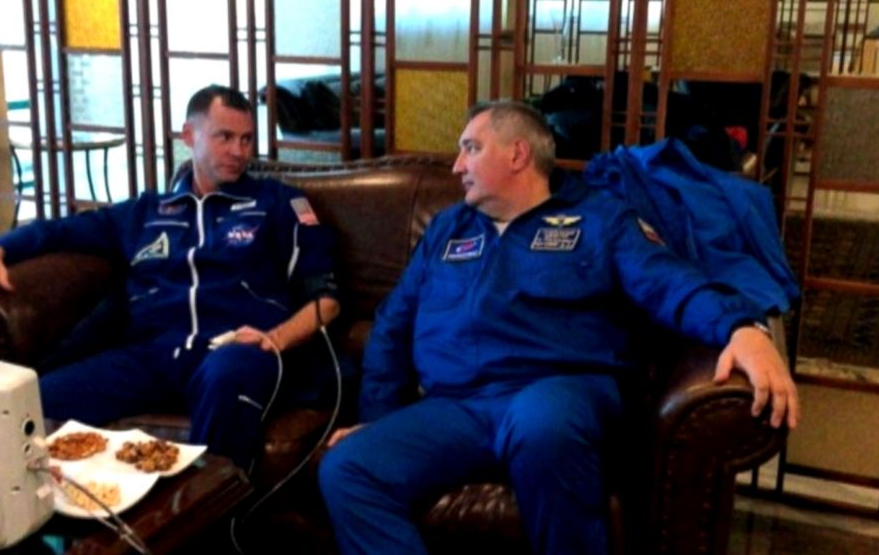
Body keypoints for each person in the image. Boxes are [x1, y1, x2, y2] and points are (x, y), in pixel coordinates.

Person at [317, 101, 799, 554]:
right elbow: (392, 325)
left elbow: (671, 283)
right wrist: (377, 416)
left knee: (542, 425)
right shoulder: (448, 229)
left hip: (557, 391)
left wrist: (741, 327)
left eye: (471, 148)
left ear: (517, 154)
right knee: (348, 466)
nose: (457, 166)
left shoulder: (601, 220)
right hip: (456, 405)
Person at [0, 85, 340, 470]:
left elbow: (327, 301)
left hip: (235, 349)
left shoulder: (278, 202)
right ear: (190, 136)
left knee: (229, 376)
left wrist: (275, 340)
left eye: (246, 139)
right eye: (225, 137)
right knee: (32, 401)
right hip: (151, 355)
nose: (239, 151)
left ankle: (211, 507)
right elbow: (59, 231)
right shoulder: (146, 212)